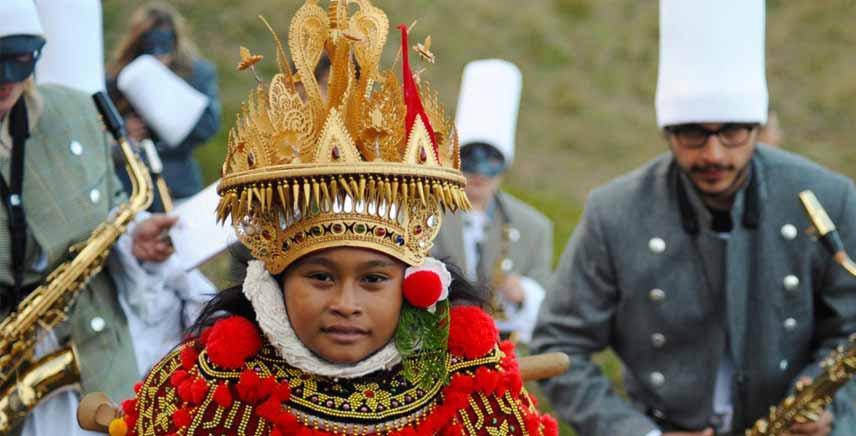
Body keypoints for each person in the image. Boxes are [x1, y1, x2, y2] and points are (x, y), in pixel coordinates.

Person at [111, 2, 558, 435]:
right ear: (276, 280)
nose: (346, 302)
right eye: (321, 277)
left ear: (411, 284)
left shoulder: (468, 395)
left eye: (374, 280)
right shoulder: (219, 392)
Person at [531, 1, 856, 435]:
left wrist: (826, 395)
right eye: (693, 132)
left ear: (757, 126)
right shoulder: (614, 212)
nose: (713, 154)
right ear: (668, 132)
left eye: (732, 132)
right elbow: (558, 346)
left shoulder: (830, 197)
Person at [0, 1, 177, 434]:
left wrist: (136, 240)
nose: (6, 83)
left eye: (19, 61)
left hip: (93, 354)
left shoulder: (76, 114)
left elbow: (110, 205)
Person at [431, 59, 552, 344]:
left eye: (492, 159)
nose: (479, 173)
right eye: (470, 157)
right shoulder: (422, 212)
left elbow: (550, 305)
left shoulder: (534, 228)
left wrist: (523, 294)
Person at [107, 1, 220, 206]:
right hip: (132, 187)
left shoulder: (196, 74)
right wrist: (124, 132)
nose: (159, 54)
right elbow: (98, 138)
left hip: (178, 182)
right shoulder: (118, 78)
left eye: (164, 44)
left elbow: (208, 127)